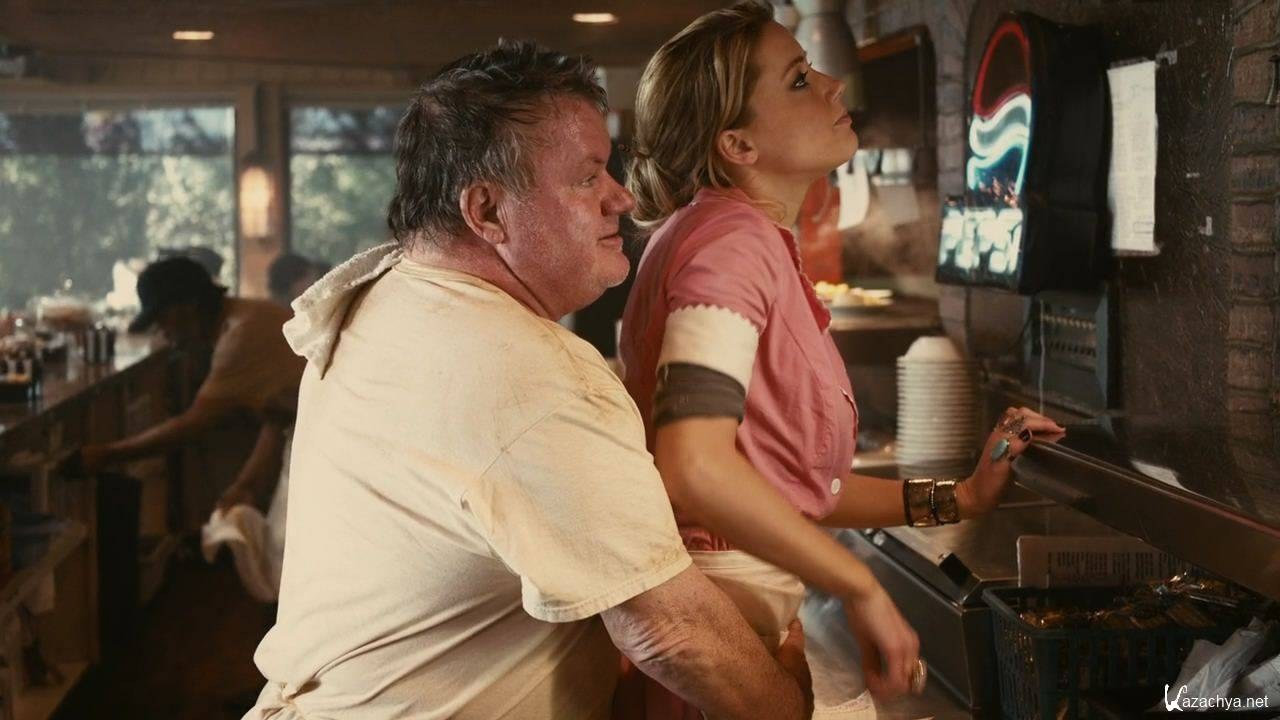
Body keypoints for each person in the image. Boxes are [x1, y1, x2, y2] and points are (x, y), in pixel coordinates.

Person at [243, 40, 812, 720]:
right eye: (588, 178)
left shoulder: (392, 291)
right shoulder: (531, 374)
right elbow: (670, 634)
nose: (621, 197)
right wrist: (791, 703)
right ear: (486, 211)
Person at [618, 1, 1065, 713]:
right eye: (799, 79)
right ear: (738, 144)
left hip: (734, 612)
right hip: (718, 625)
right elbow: (694, 465)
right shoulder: (730, 245)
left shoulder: (727, 234)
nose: (833, 85)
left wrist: (963, 495)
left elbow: (798, 489)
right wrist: (858, 586)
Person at [80, 257, 305, 519]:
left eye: (162, 318)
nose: (163, 331)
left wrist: (105, 454)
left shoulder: (239, 337)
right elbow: (276, 418)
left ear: (189, 307)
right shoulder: (249, 312)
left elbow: (191, 425)